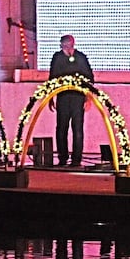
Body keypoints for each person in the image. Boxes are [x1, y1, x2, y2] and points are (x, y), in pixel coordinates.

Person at [48, 34, 95, 167]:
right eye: (64, 46)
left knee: (77, 129)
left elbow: (89, 78)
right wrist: (51, 97)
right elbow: (52, 78)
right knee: (61, 129)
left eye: (69, 45)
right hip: (62, 97)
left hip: (78, 97)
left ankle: (76, 160)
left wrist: (88, 98)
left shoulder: (80, 57)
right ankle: (62, 158)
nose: (67, 48)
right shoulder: (57, 58)